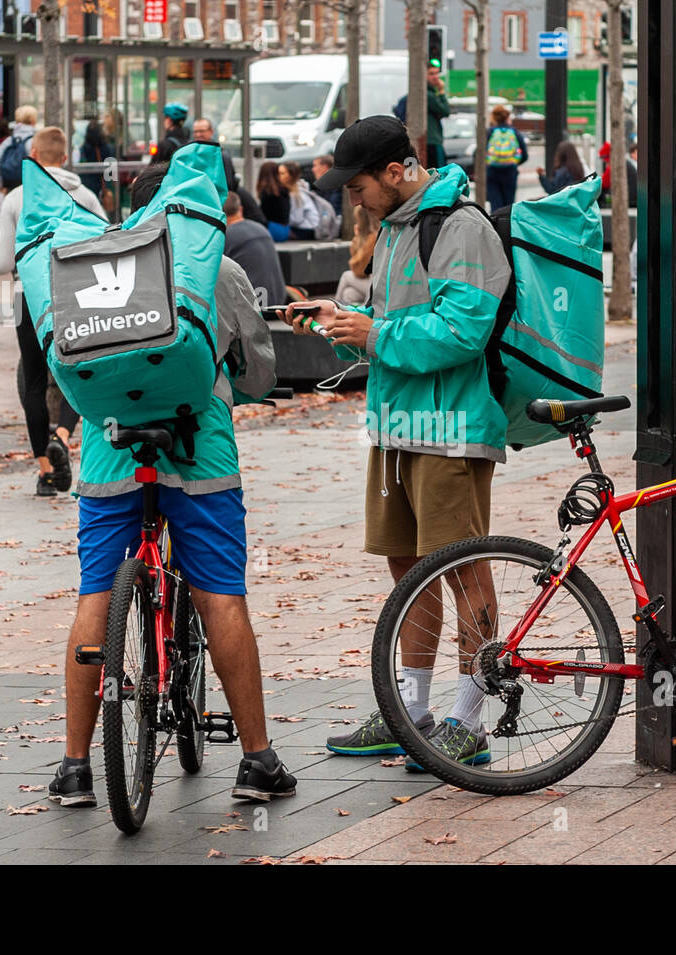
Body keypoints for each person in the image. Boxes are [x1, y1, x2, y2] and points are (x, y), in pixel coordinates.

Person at [51, 160, 294, 807]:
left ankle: (76, 767)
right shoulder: (220, 267)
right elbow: (262, 372)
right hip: (198, 456)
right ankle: (257, 760)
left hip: (111, 451)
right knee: (221, 596)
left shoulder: (90, 261)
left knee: (96, 595)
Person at [289, 115, 511, 768]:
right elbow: (399, 319)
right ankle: (408, 712)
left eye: (357, 187)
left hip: (451, 430)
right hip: (396, 426)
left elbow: (463, 331)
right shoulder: (393, 227)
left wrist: (375, 335)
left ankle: (468, 719)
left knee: (462, 568)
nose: (352, 201)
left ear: (395, 171)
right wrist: (344, 323)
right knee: (407, 568)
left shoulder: (461, 226)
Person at [0, 127, 105, 496]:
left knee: (33, 379)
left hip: (30, 298)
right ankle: (62, 434)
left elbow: (4, 260)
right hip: (77, 296)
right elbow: (107, 242)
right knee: (78, 370)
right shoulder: (86, 195)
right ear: (64, 157)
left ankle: (45, 472)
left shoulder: (17, 198)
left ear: (34, 155)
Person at [223, 190, 286, 307]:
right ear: (240, 209)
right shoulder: (262, 229)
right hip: (277, 303)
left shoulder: (224, 236)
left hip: (253, 308)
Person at [484, 104, 528, 211]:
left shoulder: (490, 132)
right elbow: (525, 155)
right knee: (509, 206)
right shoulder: (514, 132)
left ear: (494, 118)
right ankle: (506, 226)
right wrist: (513, 162)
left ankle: (494, 226)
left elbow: (480, 152)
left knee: (495, 205)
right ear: (507, 117)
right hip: (510, 172)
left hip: (492, 172)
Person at [334, 205, 377, 305]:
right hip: (368, 284)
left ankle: (334, 308)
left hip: (375, 285)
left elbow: (360, 270)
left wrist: (358, 238)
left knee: (346, 275)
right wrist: (357, 237)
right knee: (348, 293)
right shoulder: (369, 237)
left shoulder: (373, 238)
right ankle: (345, 314)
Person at [0, 105, 37, 190]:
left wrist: (2, 184)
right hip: (31, 190)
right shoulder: (34, 141)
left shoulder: (9, 141)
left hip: (11, 189)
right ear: (33, 121)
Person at [191, 115, 239, 192]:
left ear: (211, 132)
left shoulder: (221, 155)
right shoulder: (191, 153)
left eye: (201, 131)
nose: (198, 135)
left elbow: (228, 184)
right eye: (195, 132)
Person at [277, 161, 319, 240]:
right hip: (302, 227)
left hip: (307, 229)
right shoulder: (291, 190)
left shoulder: (296, 193)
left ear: (291, 176)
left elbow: (297, 219)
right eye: (278, 174)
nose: (278, 177)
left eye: (282, 174)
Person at [76, 118, 114, 200]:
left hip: (86, 185)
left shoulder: (83, 148)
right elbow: (111, 171)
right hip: (101, 185)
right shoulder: (107, 147)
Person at [425, 64, 452, 168]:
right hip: (432, 142)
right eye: (431, 74)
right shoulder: (428, 95)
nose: (436, 77)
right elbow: (445, 110)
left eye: (437, 73)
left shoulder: (428, 93)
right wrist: (441, 91)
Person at [256, 160, 291, 241]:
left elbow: (263, 216)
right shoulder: (284, 190)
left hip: (274, 230)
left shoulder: (267, 192)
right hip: (285, 231)